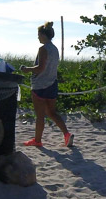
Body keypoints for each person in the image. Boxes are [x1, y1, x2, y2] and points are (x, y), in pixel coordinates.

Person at [20, 21, 73, 149]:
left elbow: (40, 68)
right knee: (52, 112)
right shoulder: (55, 49)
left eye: (38, 35)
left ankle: (37, 140)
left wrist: (27, 69)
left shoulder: (43, 49)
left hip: (40, 85)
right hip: (52, 84)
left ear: (43, 35)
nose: (38, 37)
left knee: (40, 116)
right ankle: (67, 134)